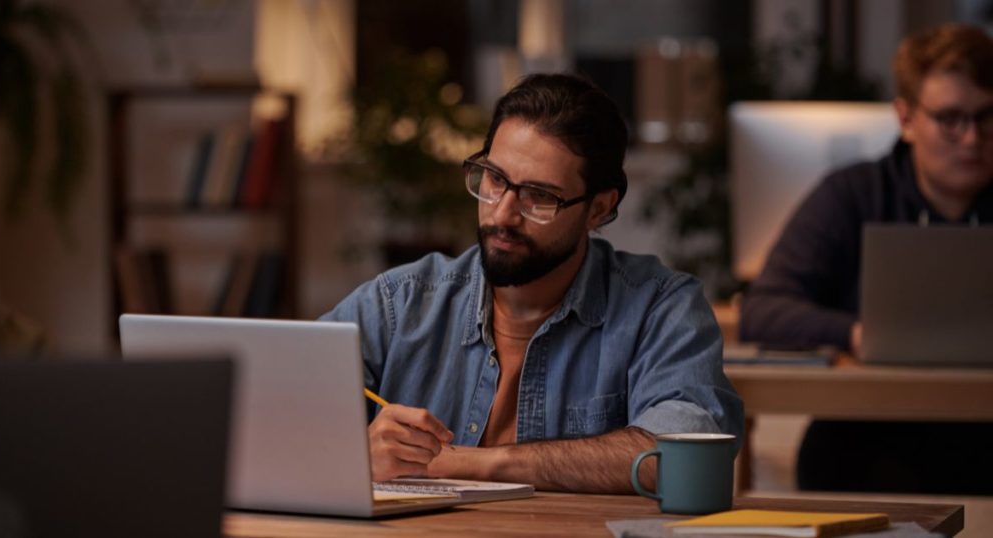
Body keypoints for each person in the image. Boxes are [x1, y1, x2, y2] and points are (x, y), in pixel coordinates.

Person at [321, 73, 743, 493]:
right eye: (495, 180)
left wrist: (474, 462)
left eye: (539, 196)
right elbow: (269, 415)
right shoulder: (399, 304)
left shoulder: (659, 308)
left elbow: (685, 453)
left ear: (598, 209)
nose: (503, 214)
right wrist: (356, 452)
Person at [740, 23, 993, 494]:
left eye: (986, 117)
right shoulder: (852, 194)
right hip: (868, 438)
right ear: (906, 118)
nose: (973, 138)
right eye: (951, 118)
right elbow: (763, 308)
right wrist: (857, 333)